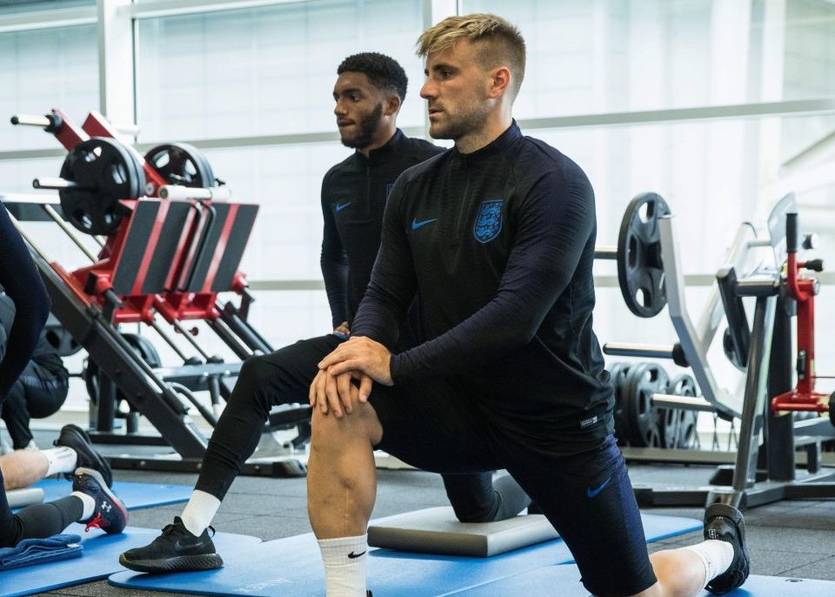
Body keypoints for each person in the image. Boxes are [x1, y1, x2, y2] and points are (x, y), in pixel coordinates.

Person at [306, 14, 750, 597]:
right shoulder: (414, 186)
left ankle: (719, 552)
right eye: (428, 74)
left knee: (636, 591)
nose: (427, 90)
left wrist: (397, 365)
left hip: (554, 419)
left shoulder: (554, 182)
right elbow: (385, 292)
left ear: (497, 82)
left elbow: (514, 317)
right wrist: (360, 349)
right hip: (456, 405)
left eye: (445, 74)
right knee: (339, 398)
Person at [120, 52, 529, 574]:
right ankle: (193, 530)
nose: (339, 107)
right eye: (336, 97)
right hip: (364, 340)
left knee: (475, 509)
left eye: (353, 96)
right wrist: (345, 316)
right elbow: (332, 255)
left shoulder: (432, 169)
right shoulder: (336, 181)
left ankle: (528, 483)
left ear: (391, 104)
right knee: (260, 375)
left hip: (431, 355)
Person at [0, 200, 126, 547]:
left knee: (4, 533)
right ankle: (67, 456)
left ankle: (89, 500)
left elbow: (35, 302)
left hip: (44, 379)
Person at [0, 292, 70, 451]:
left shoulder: (2, 308)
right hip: (25, 378)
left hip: (52, 384)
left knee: (5, 375)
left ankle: (26, 446)